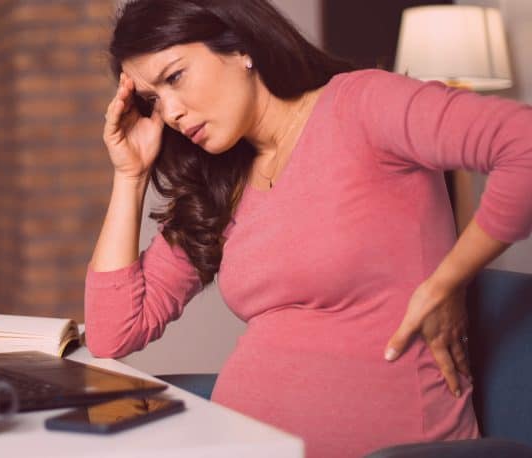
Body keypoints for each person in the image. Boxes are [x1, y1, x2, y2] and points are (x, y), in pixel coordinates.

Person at [84, 1, 532, 456]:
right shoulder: (223, 181)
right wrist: (130, 175)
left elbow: (524, 145)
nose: (172, 112)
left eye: (175, 77)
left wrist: (446, 280)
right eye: (153, 101)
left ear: (240, 45)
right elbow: (114, 332)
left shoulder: (362, 104)